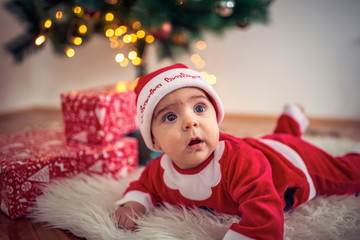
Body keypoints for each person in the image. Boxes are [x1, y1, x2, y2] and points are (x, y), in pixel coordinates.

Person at [112, 63, 360, 240]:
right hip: (264, 147)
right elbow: (143, 186)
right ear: (154, 142)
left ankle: (290, 129)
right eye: (170, 116)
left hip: (294, 163)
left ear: (216, 116)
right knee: (272, 139)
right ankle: (289, 123)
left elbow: (265, 212)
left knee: (348, 175)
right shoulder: (160, 171)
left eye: (199, 108)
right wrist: (134, 203)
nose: (190, 122)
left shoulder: (238, 161)